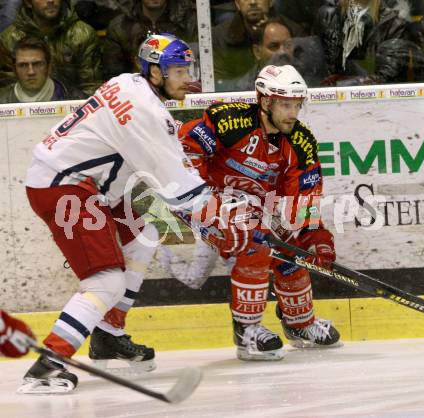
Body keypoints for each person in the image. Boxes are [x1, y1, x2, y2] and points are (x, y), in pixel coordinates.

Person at [18, 33, 249, 394]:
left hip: (81, 182)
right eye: (177, 69)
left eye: (188, 67)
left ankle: (108, 334)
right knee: (105, 282)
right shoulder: (146, 111)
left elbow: (165, 179)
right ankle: (48, 366)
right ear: (154, 73)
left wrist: (207, 212)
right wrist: (218, 217)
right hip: (64, 187)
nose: (187, 77)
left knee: (148, 229)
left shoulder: (127, 84)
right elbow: (177, 183)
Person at [177, 64, 341, 361]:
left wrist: (314, 236)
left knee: (291, 243)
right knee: (255, 243)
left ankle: (300, 324)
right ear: (265, 101)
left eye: (297, 105)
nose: (293, 112)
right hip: (200, 200)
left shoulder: (301, 143)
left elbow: (301, 202)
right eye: (285, 105)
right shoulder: (229, 120)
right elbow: (184, 156)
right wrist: (206, 204)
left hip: (253, 207)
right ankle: (247, 330)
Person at [0, 0, 102, 95]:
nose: (50, 1)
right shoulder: (10, 39)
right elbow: (8, 89)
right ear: (28, 3)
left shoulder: (83, 34)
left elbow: (91, 86)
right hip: (25, 109)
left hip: (73, 107)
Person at [212, 0, 307, 91]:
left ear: (271, 1)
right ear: (237, 3)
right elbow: (221, 87)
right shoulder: (219, 37)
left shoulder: (296, 32)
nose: (253, 2)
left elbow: (306, 79)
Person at [102, 0, 198, 80]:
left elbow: (201, 66)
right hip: (137, 92)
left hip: (184, 89)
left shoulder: (192, 21)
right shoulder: (120, 26)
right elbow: (114, 76)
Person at [0, 36, 87, 103]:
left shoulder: (76, 100)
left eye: (37, 64)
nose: (31, 72)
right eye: (23, 65)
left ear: (49, 67)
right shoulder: (2, 100)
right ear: (14, 70)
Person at [234, 17, 295, 91]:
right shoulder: (244, 91)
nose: (283, 52)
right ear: (257, 52)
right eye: (274, 46)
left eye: (288, 45)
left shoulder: (306, 78)